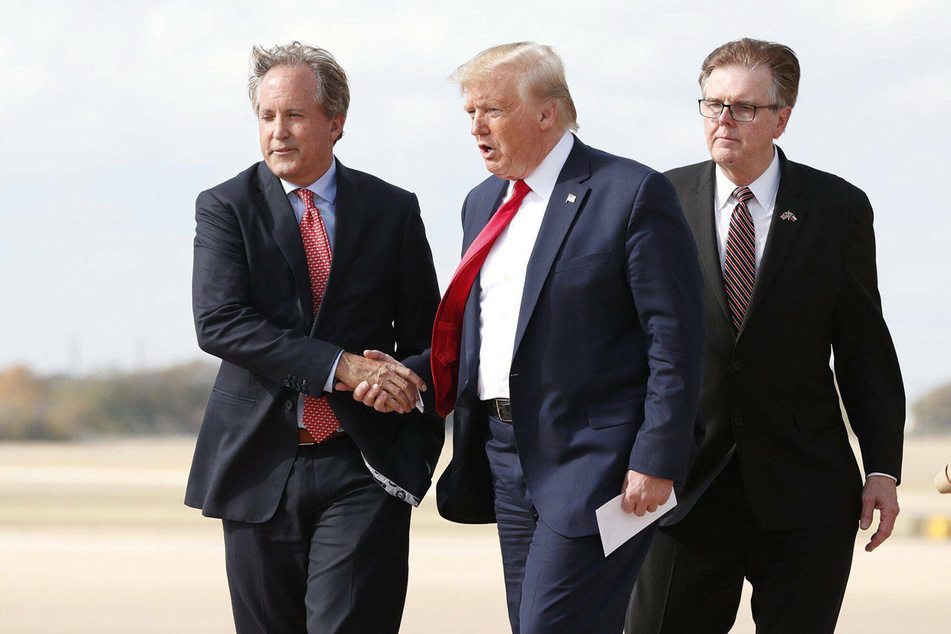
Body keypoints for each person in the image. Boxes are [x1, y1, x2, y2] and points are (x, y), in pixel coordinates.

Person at [627, 38, 905, 634]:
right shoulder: (658, 200)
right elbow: (625, 344)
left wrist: (882, 466)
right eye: (712, 104)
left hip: (805, 493)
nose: (723, 119)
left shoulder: (837, 208)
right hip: (681, 489)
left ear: (782, 117)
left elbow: (863, 349)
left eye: (744, 107)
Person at [429, 42, 705, 634]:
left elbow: (675, 342)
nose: (477, 126)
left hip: (598, 465)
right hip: (504, 454)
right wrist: (402, 372)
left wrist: (656, 458)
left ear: (548, 113)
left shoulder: (630, 192)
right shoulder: (481, 203)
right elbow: (490, 335)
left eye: (493, 110)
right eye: (470, 111)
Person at [184, 42, 443, 634]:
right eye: (267, 116)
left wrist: (402, 384)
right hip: (256, 467)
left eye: (295, 115)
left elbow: (432, 338)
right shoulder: (225, 207)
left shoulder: (393, 210)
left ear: (336, 122)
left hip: (364, 462)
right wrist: (341, 367)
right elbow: (220, 322)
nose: (279, 131)